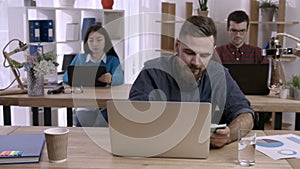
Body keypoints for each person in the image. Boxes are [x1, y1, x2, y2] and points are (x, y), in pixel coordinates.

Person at [129, 15, 254, 148]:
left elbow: (246, 115)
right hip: (157, 153)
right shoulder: (152, 73)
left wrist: (229, 135)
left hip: (207, 157)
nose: (196, 62)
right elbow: (134, 119)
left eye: (205, 55)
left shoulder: (219, 75)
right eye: (189, 53)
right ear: (177, 46)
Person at [215, 10, 270, 129]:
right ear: (228, 29)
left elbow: (265, 80)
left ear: (247, 30)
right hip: (225, 102)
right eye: (234, 30)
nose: (238, 35)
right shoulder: (217, 53)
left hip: (254, 99)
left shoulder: (258, 53)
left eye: (242, 31)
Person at [63, 24, 124, 127]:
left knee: (101, 125)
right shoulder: (80, 58)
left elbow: (120, 78)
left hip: (106, 105)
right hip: (85, 104)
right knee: (84, 123)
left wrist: (111, 78)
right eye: (91, 40)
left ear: (106, 41)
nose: (95, 44)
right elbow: (66, 77)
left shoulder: (112, 60)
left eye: (99, 40)